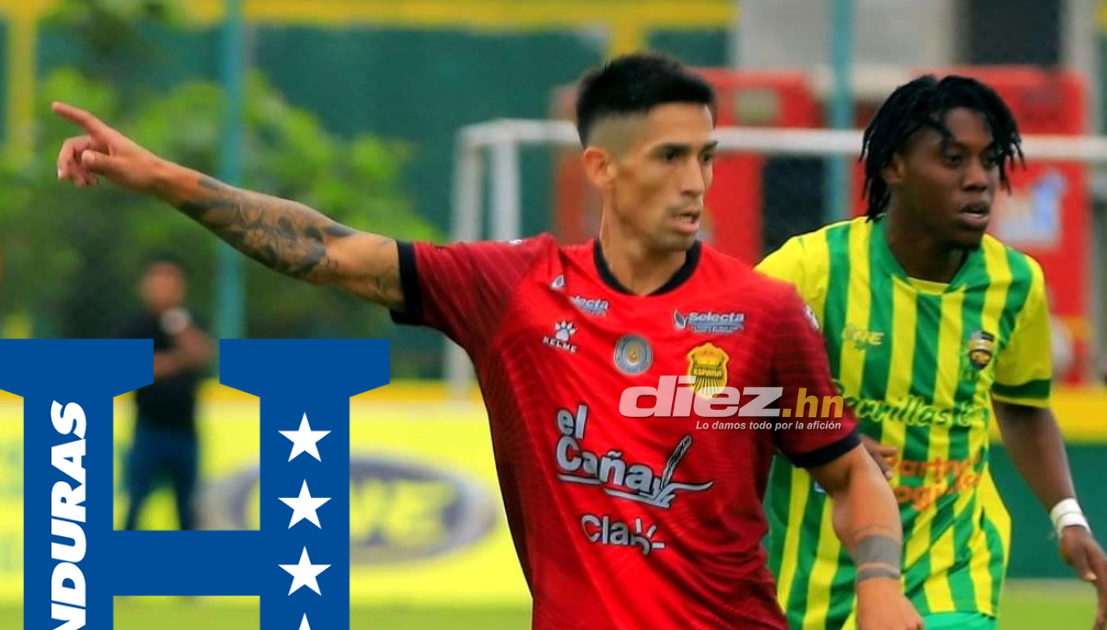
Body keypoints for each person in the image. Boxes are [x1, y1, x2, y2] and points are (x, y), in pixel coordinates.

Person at [53, 52, 920, 630]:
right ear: (602, 168)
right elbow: (330, 251)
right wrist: (161, 178)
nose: (696, 182)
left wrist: (880, 582)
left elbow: (852, 473)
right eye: (669, 157)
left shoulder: (763, 313)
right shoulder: (514, 290)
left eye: (707, 156)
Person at [758, 74, 1107, 630]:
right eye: (953, 160)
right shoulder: (809, 270)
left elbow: (1022, 406)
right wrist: (820, 432)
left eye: (989, 160)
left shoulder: (1014, 283)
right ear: (894, 166)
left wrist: (1069, 518)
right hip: (816, 580)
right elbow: (707, 384)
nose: (979, 180)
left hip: (954, 568)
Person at [116, 253, 213, 533]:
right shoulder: (135, 326)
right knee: (135, 507)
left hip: (186, 431)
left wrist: (177, 324)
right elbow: (130, 367)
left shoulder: (189, 322)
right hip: (148, 430)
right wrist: (179, 359)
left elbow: (202, 354)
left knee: (188, 512)